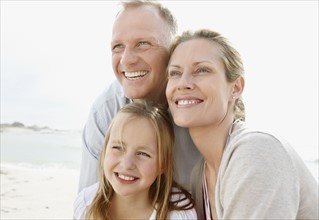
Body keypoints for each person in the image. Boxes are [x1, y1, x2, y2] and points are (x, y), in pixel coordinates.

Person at [166, 29, 319, 219]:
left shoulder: (256, 150)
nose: (183, 83)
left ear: (236, 88)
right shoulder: (200, 175)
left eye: (202, 70)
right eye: (175, 73)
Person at [78, 0, 201, 193]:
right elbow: (91, 203)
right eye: (118, 46)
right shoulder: (105, 111)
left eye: (143, 44)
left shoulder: (200, 103)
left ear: (172, 51)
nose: (127, 59)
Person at [74, 102, 197, 219]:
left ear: (163, 165)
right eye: (118, 148)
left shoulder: (179, 213)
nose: (127, 164)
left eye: (143, 154)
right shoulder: (86, 204)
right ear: (105, 150)